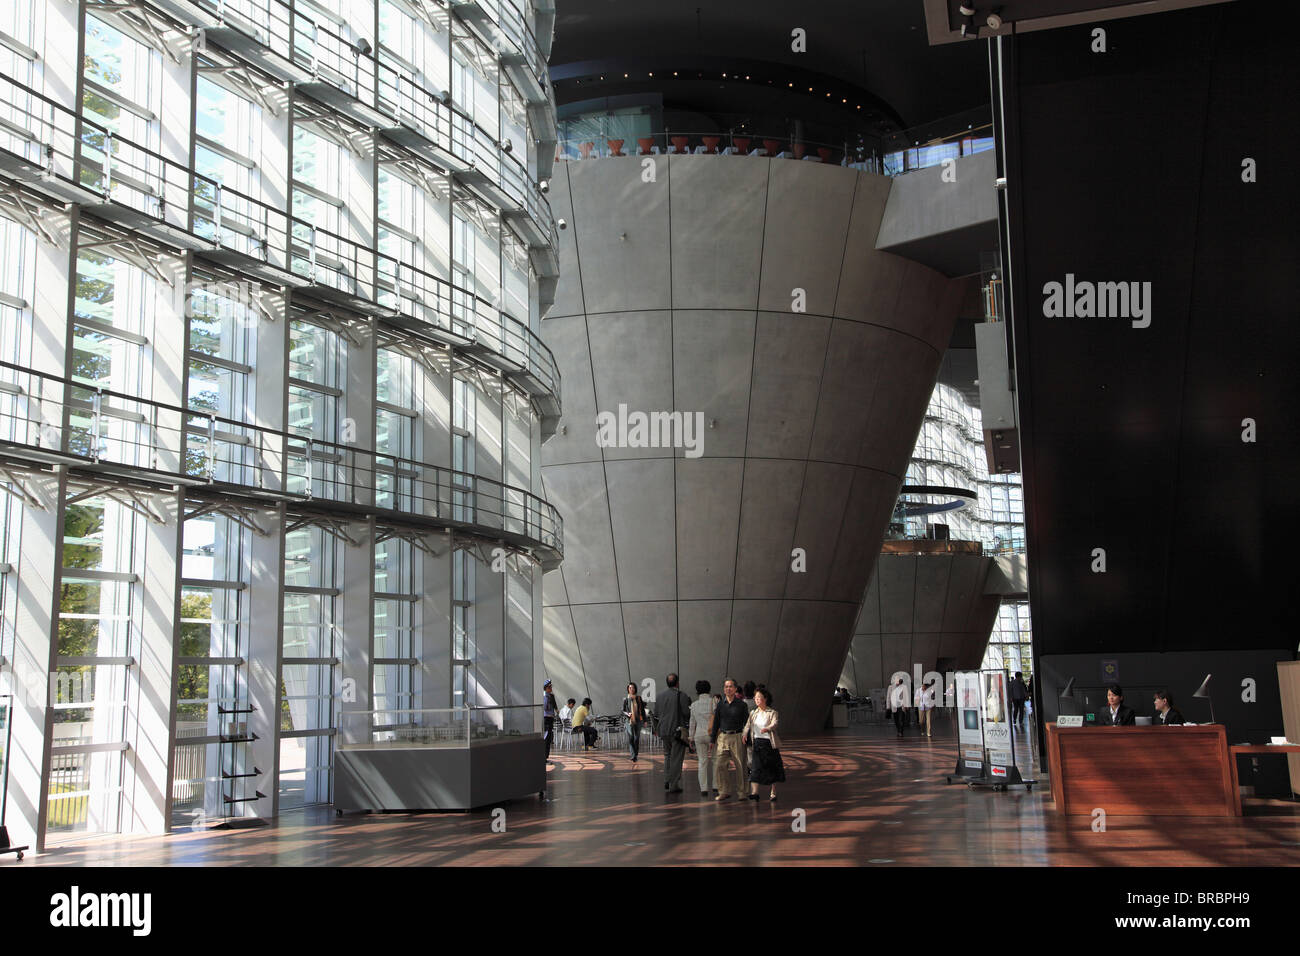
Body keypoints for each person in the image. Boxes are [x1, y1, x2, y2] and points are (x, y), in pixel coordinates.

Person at [744, 685, 786, 801]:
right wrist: (744, 734)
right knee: (755, 768)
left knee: (771, 768)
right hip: (757, 743)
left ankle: (773, 791)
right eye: (755, 697)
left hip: (769, 744)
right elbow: (748, 725)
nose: (756, 700)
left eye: (759, 697)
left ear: (765, 698)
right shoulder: (753, 713)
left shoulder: (772, 712)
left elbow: (775, 723)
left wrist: (768, 728)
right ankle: (755, 792)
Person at [711, 678, 750, 801]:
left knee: (740, 765)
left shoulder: (742, 705)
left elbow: (747, 723)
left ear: (735, 689)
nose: (728, 689)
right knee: (719, 765)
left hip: (737, 736)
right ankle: (724, 791)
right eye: (726, 687)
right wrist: (712, 740)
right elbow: (716, 722)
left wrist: (746, 737)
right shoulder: (720, 705)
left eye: (730, 686)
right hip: (723, 737)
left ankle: (742, 792)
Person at [689, 680, 716, 796]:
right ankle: (716, 785)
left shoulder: (694, 705)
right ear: (709, 689)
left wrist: (690, 737)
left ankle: (703, 788)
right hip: (712, 735)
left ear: (697, 691)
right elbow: (717, 720)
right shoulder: (714, 702)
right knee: (715, 760)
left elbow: (692, 723)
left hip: (699, 735)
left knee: (702, 761)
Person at [622, 681, 648, 762]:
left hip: (639, 720)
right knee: (631, 738)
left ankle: (635, 754)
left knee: (636, 738)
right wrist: (627, 714)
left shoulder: (639, 698)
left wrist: (645, 720)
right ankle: (633, 755)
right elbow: (622, 711)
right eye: (630, 688)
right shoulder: (626, 699)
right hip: (629, 721)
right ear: (628, 689)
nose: (631, 689)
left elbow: (642, 710)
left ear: (635, 689)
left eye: (633, 687)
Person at [542, 679, 559, 759]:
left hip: (550, 719)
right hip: (546, 719)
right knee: (546, 738)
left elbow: (555, 706)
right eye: (550, 687)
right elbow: (545, 707)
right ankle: (544, 758)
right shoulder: (545, 696)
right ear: (546, 688)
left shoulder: (550, 696)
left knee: (549, 738)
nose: (551, 688)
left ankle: (546, 757)